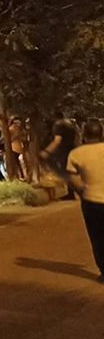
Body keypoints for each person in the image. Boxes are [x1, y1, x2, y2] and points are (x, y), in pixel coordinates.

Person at [65, 120, 104, 282]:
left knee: (97, 237)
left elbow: (73, 179)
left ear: (84, 134)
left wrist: (82, 191)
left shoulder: (76, 154)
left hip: (91, 200)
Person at [44, 112, 80, 199]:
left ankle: (71, 193)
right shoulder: (70, 125)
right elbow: (77, 137)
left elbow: (57, 140)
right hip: (72, 149)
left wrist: (47, 151)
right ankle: (75, 192)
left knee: (66, 172)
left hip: (64, 151)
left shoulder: (58, 125)